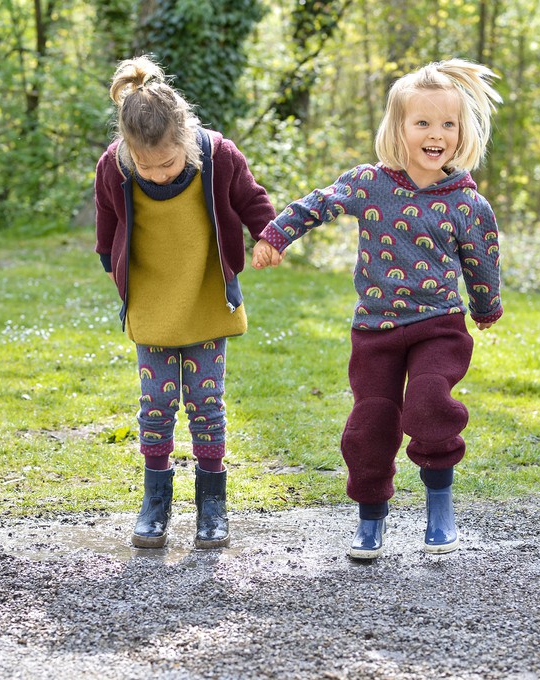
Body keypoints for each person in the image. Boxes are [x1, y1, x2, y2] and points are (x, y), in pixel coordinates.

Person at [252, 59, 503, 559]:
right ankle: (370, 519)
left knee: (430, 401)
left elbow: (482, 260)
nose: (437, 134)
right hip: (375, 329)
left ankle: (439, 507)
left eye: (448, 124)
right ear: (399, 128)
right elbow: (318, 203)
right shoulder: (371, 184)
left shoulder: (468, 205)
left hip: (439, 326)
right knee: (370, 423)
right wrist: (277, 234)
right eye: (423, 123)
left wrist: (485, 307)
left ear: (461, 132)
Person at [95, 55, 276, 550]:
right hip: (152, 305)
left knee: (205, 403)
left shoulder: (218, 155)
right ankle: (155, 504)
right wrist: (114, 271)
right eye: (144, 165)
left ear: (186, 139)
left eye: (167, 164)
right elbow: (107, 226)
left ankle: (211, 506)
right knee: (155, 405)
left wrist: (269, 237)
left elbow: (253, 201)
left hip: (204, 299)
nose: (155, 174)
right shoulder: (114, 165)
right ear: (128, 151)